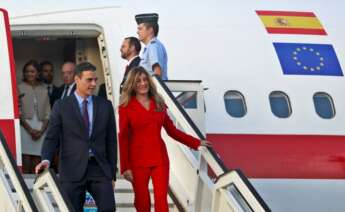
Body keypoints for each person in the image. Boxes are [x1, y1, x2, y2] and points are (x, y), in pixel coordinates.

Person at [118, 67, 210, 212]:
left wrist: (196, 142)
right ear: (132, 85)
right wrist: (125, 167)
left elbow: (172, 131)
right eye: (138, 81)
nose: (143, 83)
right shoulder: (125, 107)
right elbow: (123, 137)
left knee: (162, 203)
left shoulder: (159, 103)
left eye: (145, 79)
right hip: (137, 161)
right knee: (142, 203)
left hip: (159, 159)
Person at [35, 62, 118, 212]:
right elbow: (52, 137)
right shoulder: (61, 106)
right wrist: (46, 159)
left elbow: (111, 141)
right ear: (77, 80)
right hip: (71, 168)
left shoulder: (105, 105)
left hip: (99, 168)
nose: (93, 84)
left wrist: (112, 173)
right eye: (89, 80)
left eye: (95, 80)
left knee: (108, 208)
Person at [18, 60, 50, 174]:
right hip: (24, 127)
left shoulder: (44, 89)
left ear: (38, 73)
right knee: (25, 159)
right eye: (27, 71)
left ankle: (37, 187)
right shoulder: (19, 87)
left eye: (32, 71)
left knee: (38, 160)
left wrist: (41, 131)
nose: (29, 74)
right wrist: (30, 130)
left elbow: (48, 113)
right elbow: (18, 112)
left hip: (41, 127)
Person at [136, 13, 168, 80]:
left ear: (150, 30)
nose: (137, 32)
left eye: (140, 29)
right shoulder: (150, 46)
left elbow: (157, 72)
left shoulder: (153, 46)